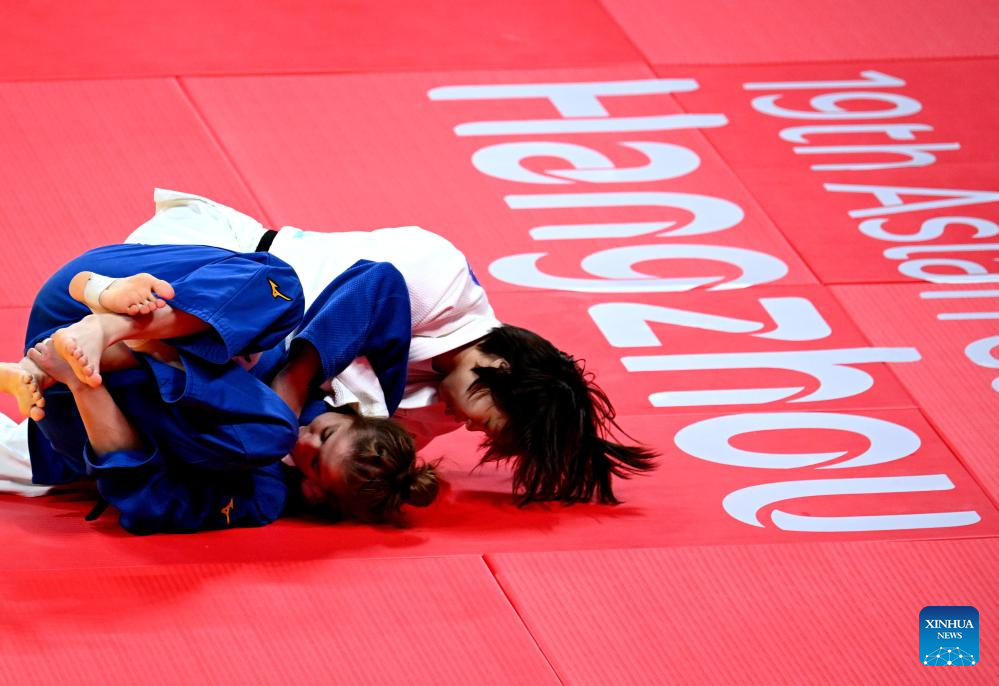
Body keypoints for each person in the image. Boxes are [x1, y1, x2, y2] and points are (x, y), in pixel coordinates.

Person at [127, 189, 657, 503]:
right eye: (488, 422)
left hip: (235, 359)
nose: (471, 429)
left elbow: (340, 449)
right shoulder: (443, 276)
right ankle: (108, 331)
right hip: (211, 261)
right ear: (500, 367)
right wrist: (291, 389)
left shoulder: (439, 415)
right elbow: (354, 298)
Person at [0, 243, 439, 532]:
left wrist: (84, 388)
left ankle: (125, 349)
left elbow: (150, 502)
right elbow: (380, 281)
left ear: (316, 492)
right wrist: (294, 379)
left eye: (315, 462)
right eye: (325, 433)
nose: (306, 440)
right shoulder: (337, 388)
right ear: (351, 416)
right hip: (94, 297)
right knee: (281, 287)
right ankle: (116, 327)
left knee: (270, 433)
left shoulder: (264, 494)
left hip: (79, 401)